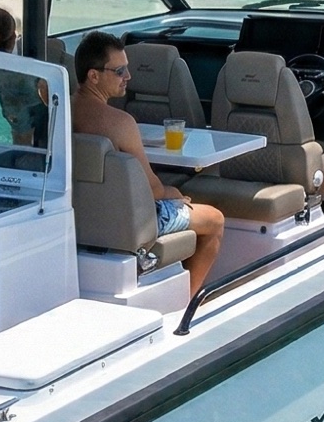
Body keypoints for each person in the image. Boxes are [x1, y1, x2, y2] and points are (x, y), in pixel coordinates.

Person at [71, 31, 223, 296]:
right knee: (214, 219)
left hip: (77, 217)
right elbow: (153, 192)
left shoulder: (59, 112)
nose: (128, 77)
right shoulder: (120, 123)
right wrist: (175, 196)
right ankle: (186, 304)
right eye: (119, 71)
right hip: (127, 222)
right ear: (93, 76)